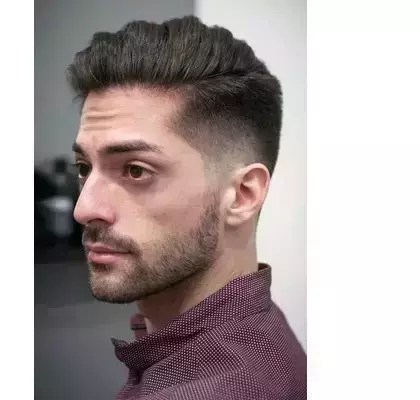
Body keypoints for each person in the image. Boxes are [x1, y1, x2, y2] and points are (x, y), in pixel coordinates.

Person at [67, 15, 306, 400]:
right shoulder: (257, 334)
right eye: (84, 168)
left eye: (136, 170)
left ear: (243, 195)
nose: (84, 209)